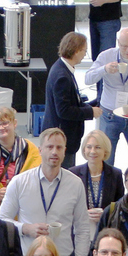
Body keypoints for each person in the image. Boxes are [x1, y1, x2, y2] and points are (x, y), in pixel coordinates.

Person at [0, 128, 94, 256]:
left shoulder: (75, 184)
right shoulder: (19, 182)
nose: (54, 152)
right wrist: (26, 228)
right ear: (40, 150)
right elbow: (2, 220)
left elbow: (82, 228)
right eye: (49, 147)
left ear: (65, 151)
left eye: (59, 147)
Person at [86, 28, 128, 165]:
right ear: (118, 43)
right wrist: (104, 69)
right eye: (123, 46)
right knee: (105, 162)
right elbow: (88, 79)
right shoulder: (106, 56)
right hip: (109, 116)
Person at [43, 33, 89, 169]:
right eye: (84, 51)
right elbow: (64, 111)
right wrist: (90, 112)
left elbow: (71, 102)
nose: (84, 55)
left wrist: (91, 105)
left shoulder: (63, 69)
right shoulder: (62, 76)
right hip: (62, 137)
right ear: (76, 51)